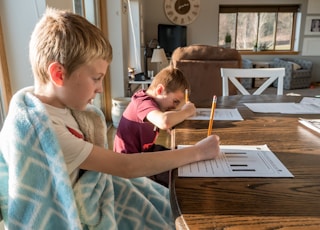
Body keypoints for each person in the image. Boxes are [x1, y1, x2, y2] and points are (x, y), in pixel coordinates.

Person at [0, 8, 220, 229]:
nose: (99, 89)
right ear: (59, 74)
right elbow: (126, 166)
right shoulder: (45, 132)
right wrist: (198, 152)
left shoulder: (61, 108)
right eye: (96, 79)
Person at [113, 66, 196, 186]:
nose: (175, 108)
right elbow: (164, 121)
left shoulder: (154, 103)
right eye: (175, 101)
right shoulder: (142, 102)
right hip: (129, 164)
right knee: (179, 175)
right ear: (159, 90)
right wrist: (186, 111)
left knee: (183, 160)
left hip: (145, 153)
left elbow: (167, 120)